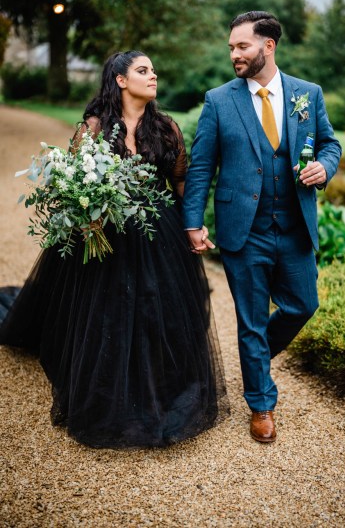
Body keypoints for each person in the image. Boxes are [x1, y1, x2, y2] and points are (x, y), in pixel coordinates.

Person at [0, 50, 229, 448]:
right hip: (104, 231)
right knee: (104, 310)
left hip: (157, 231)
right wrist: (86, 213)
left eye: (154, 70)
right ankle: (106, 387)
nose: (153, 75)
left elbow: (181, 182)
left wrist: (194, 224)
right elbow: (69, 185)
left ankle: (157, 386)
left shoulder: (166, 128)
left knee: (155, 305)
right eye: (143, 70)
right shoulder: (93, 128)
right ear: (121, 80)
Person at [183, 11, 342, 443]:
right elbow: (201, 167)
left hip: (294, 227)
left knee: (302, 305)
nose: (234, 54)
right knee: (250, 321)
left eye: (242, 46)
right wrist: (192, 222)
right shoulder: (219, 100)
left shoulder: (307, 94)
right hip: (243, 230)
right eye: (232, 47)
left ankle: (254, 358)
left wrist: (324, 169)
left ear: (267, 46)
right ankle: (261, 404)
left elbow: (330, 143)